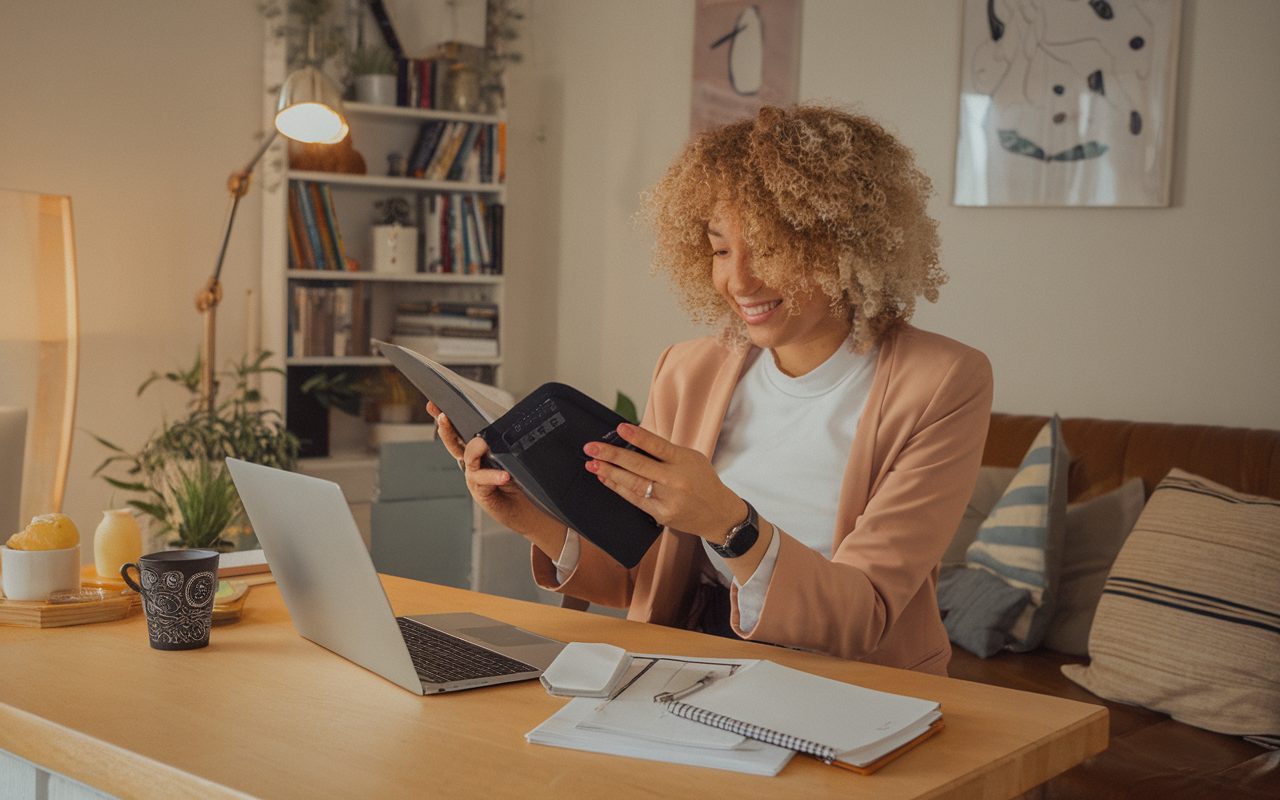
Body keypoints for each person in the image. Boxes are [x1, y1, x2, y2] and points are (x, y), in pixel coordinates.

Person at [431, 105, 992, 675]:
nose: (739, 281)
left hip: (854, 683)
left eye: (769, 248)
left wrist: (731, 526)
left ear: (848, 245)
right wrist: (525, 513)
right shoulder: (687, 370)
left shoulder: (942, 380)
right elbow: (643, 577)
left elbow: (864, 617)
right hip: (690, 665)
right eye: (722, 250)